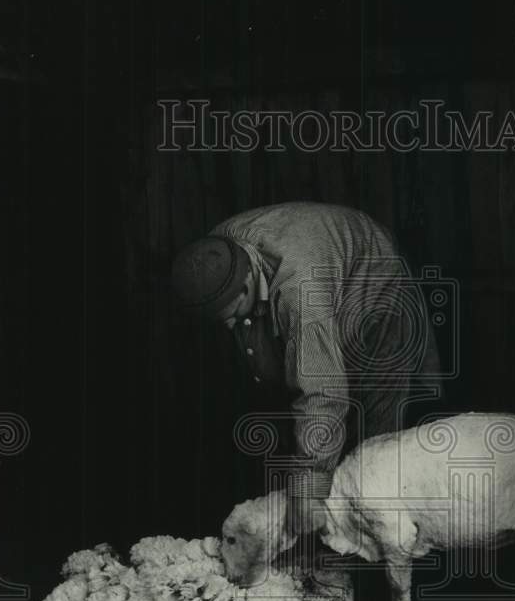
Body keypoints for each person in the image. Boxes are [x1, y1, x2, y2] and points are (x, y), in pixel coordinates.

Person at [171, 201, 444, 543]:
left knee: (375, 453)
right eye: (218, 320)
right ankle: (309, 525)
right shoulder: (214, 257)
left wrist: (309, 488)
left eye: (231, 314)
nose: (228, 326)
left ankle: (370, 552)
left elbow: (323, 391)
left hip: (375, 295)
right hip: (322, 270)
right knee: (300, 408)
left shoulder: (301, 291)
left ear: (245, 285)